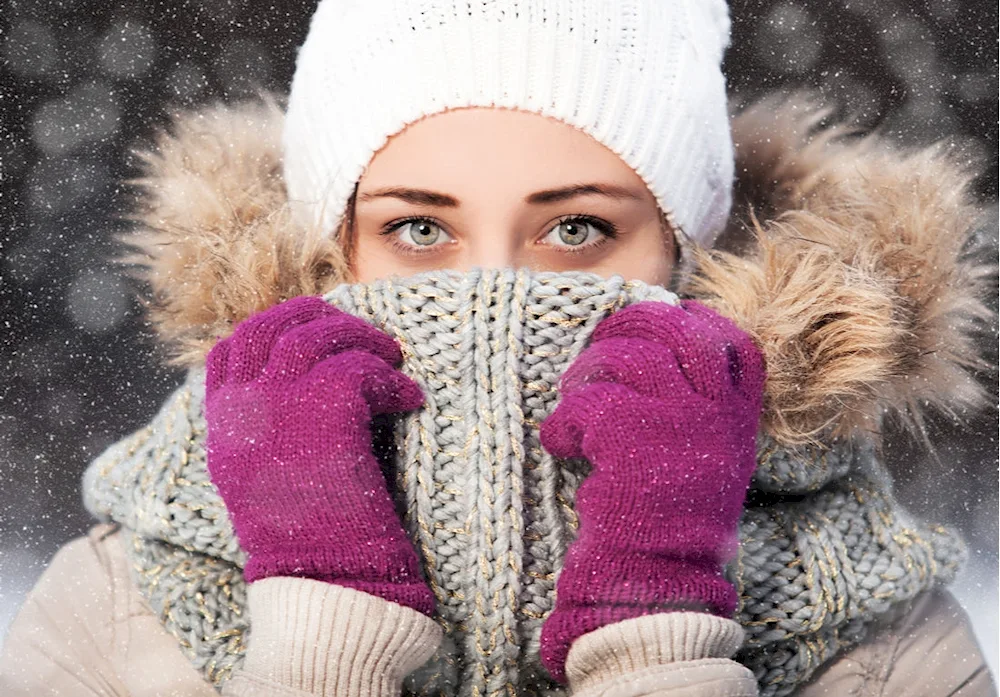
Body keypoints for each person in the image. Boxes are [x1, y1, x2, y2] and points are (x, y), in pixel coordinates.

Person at [1, 1, 995, 696]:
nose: (491, 288)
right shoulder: (126, 598)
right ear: (331, 245)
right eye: (420, 230)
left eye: (575, 230)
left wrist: (656, 633)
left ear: (686, 256)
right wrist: (313, 636)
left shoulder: (870, 623)